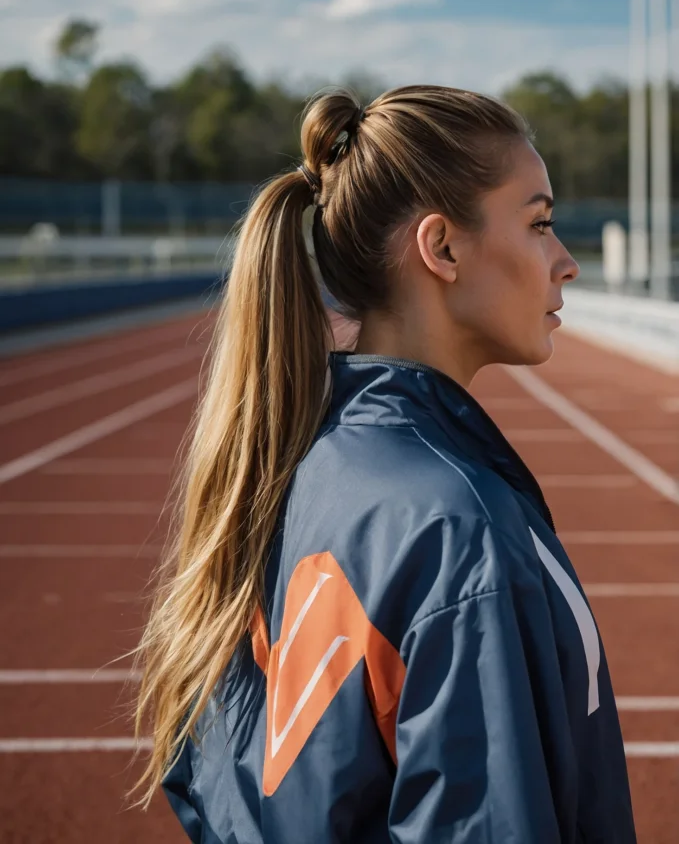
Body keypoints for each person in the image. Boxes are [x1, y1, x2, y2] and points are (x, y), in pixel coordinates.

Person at [133, 85, 636, 842]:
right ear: (441, 249)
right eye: (539, 224)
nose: (563, 262)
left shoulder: (299, 461)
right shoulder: (458, 527)